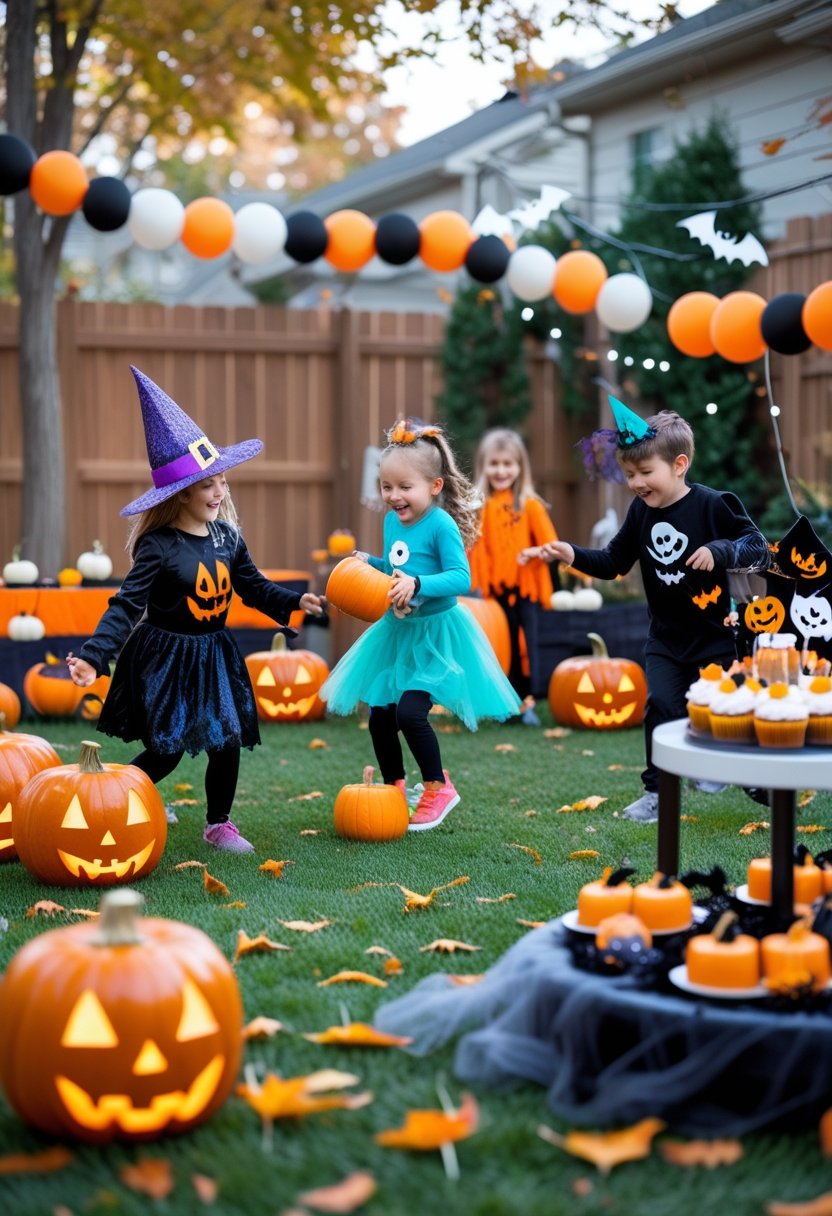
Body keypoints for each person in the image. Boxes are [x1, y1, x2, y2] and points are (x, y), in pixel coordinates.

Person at [67, 365, 324, 853]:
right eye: (208, 486)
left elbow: (252, 587)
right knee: (165, 749)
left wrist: (295, 602)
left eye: (222, 482)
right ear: (181, 492)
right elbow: (126, 606)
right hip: (166, 656)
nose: (219, 493)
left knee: (226, 740)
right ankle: (116, 794)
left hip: (213, 654)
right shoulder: (159, 546)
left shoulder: (228, 538)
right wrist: (94, 655)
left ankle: (218, 823)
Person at [539, 398, 769, 823]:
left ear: (679, 464)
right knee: (660, 705)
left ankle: (750, 773)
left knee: (725, 710)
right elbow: (613, 563)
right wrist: (570, 553)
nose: (636, 483)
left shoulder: (713, 505)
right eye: (629, 474)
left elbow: (758, 549)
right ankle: (658, 794)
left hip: (717, 634)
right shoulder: (641, 511)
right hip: (666, 637)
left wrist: (720, 550)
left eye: (646, 473)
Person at [321, 419, 521, 830]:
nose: (393, 496)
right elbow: (397, 566)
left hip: (436, 634)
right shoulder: (393, 520)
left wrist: (418, 584)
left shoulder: (441, 525)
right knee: (379, 714)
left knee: (410, 713)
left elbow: (460, 579)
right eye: (386, 487)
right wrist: (370, 565)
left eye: (403, 487)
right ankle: (395, 788)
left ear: (434, 486)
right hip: (398, 634)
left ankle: (437, 786)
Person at [468, 428, 559, 725]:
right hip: (493, 591)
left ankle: (527, 701)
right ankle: (503, 702)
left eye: (508, 464)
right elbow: (470, 546)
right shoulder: (478, 507)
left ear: (520, 467)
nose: (501, 470)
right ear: (484, 467)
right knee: (499, 643)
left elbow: (550, 543)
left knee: (525, 645)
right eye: (494, 464)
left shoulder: (529, 505)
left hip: (526, 587)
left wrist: (538, 554)